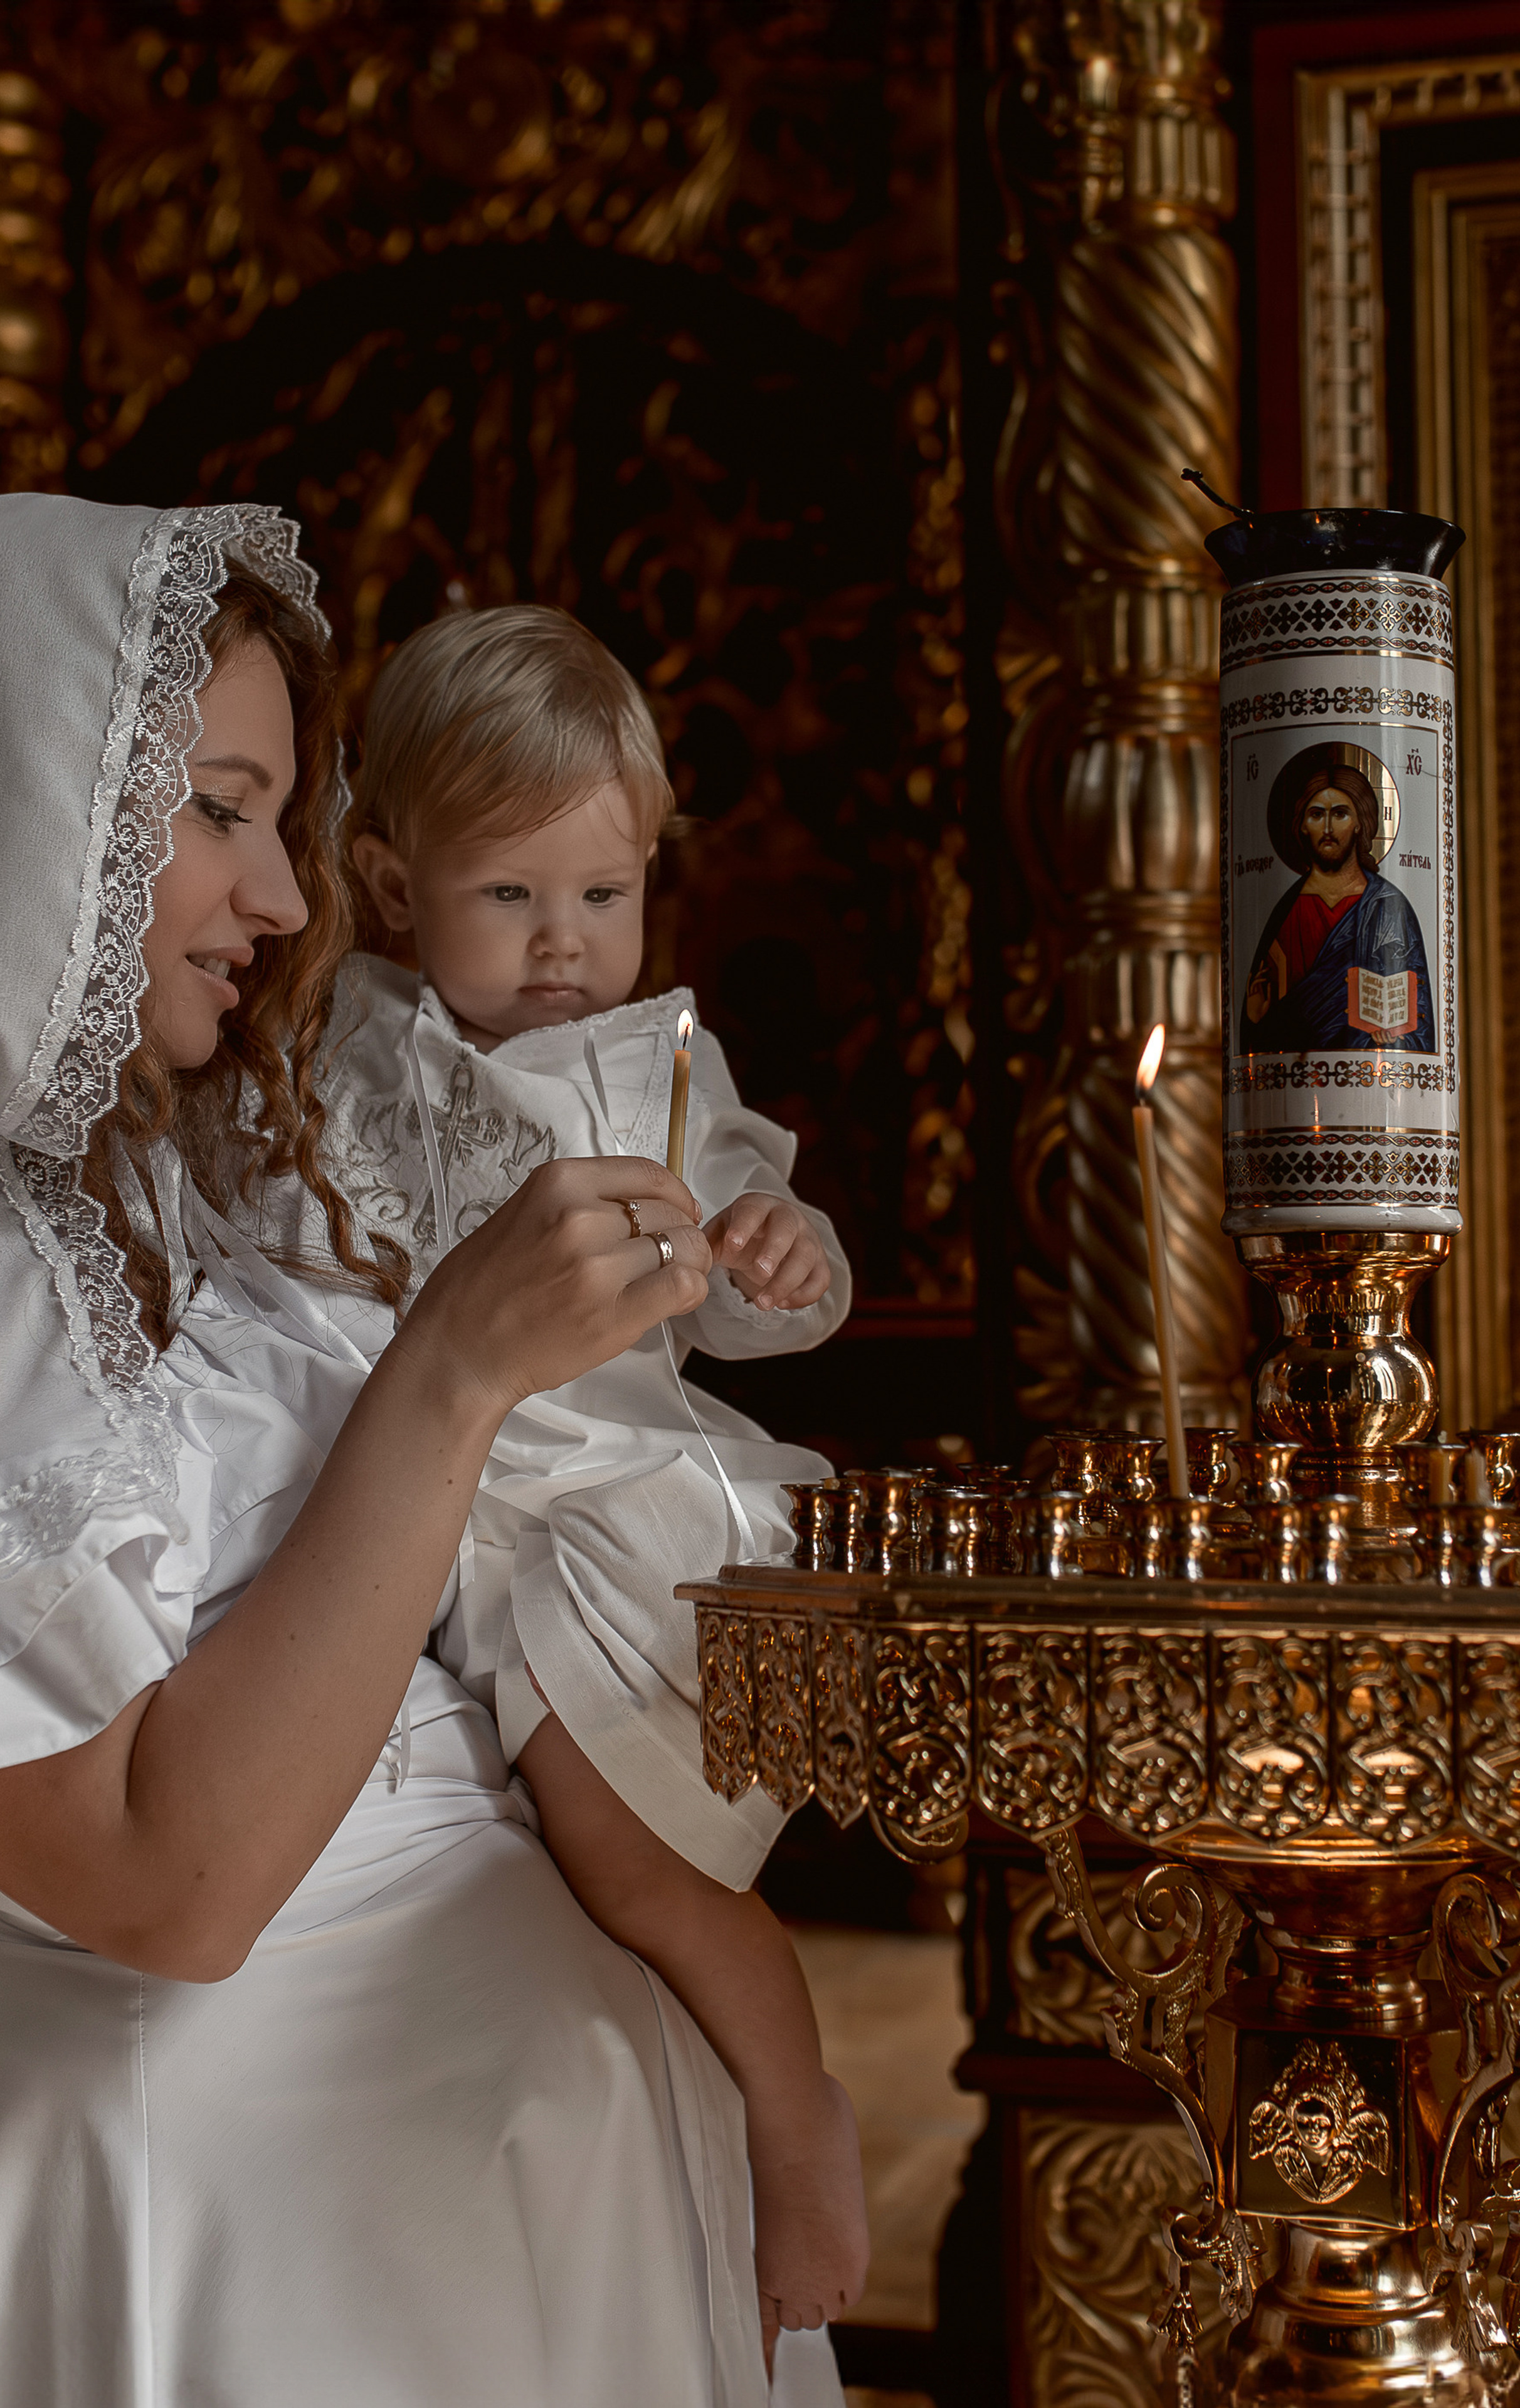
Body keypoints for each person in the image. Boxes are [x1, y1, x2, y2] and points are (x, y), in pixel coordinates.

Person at [0, 495, 850, 2406]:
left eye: (273, 819)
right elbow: (163, 1882)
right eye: (217, 807)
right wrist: (456, 1365)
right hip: (295, 2115)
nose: (281, 896)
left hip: (542, 2050)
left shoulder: (171, 1159)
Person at [303, 603, 865, 2361]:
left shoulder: (657, 1069)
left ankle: (799, 2113)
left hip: (595, 1514)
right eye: (512, 896)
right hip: (426, 1505)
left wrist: (784, 1254)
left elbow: (771, 1284)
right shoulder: (342, 1055)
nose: (565, 949)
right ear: (392, 885)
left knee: (632, 1868)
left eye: (603, 897)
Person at [1238, 750, 1434, 1055]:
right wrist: (1255, 1018)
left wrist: (1395, 1039)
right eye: (1317, 814)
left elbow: (1418, 1022)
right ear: (1302, 825)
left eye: (1340, 814)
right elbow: (1262, 1038)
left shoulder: (1387, 907)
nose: (1328, 828)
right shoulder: (1285, 913)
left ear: (1360, 823)